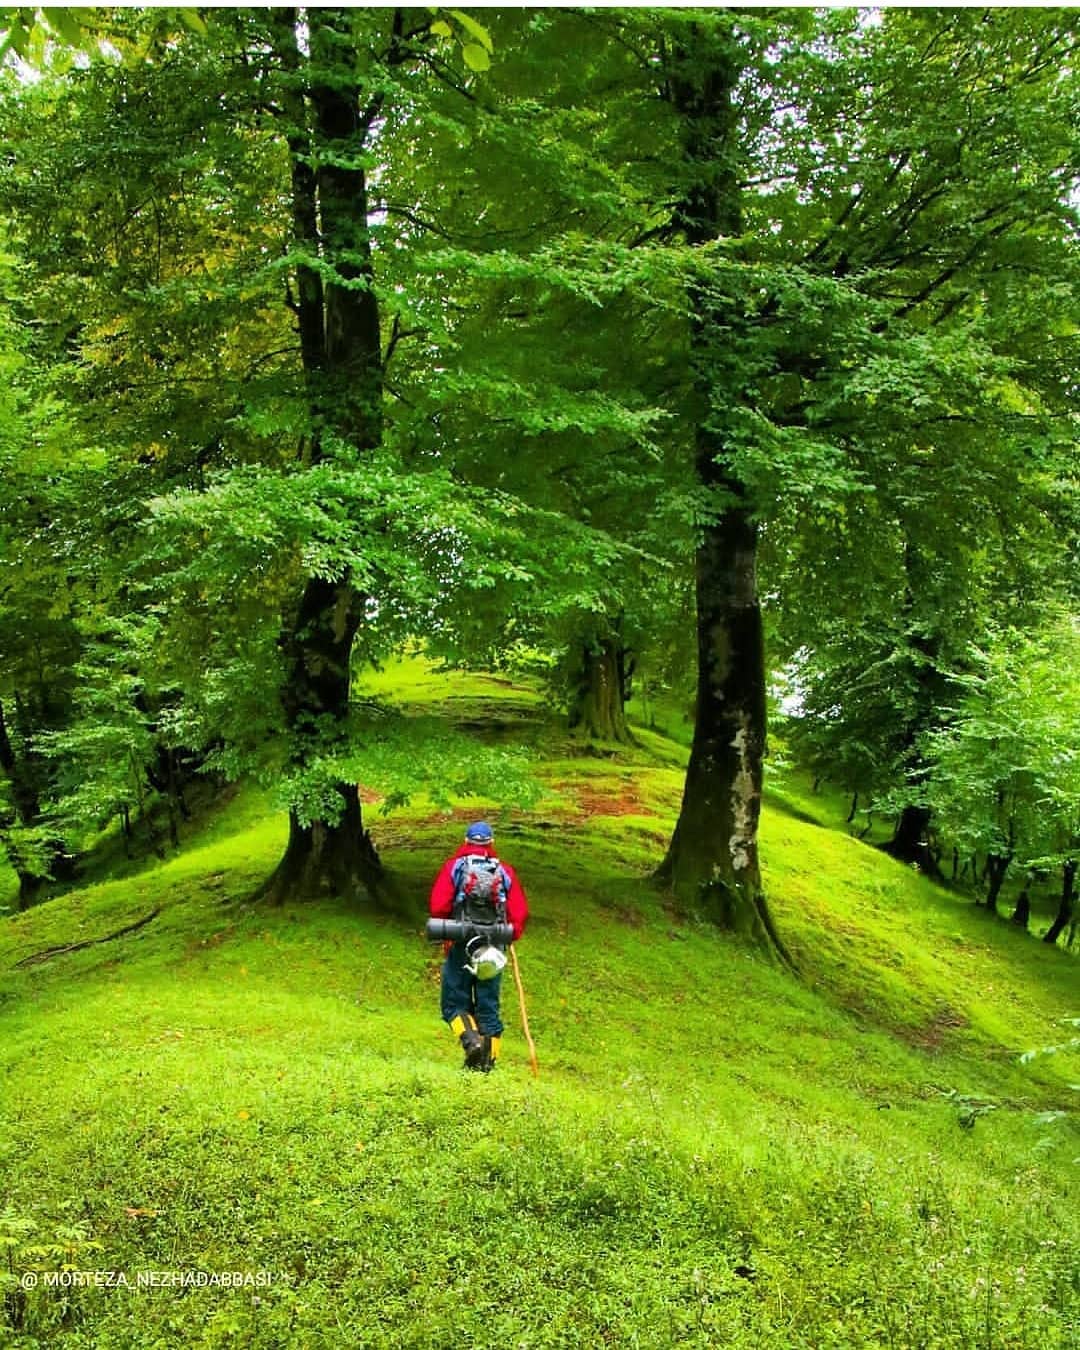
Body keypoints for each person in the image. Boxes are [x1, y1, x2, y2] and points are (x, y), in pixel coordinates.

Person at [429, 820, 529, 1072]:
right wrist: (509, 934)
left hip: (462, 942)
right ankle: (487, 1065)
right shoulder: (504, 871)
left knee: (453, 1004)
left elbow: (438, 906)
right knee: (488, 1005)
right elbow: (519, 913)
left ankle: (471, 1043)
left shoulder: (455, 867)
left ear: (466, 842)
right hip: (494, 945)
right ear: (491, 843)